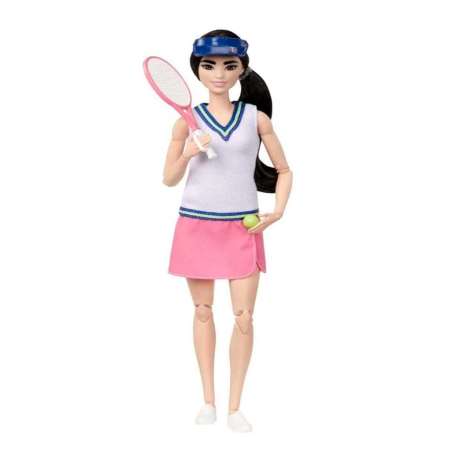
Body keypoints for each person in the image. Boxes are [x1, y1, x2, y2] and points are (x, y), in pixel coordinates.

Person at [162, 29, 293, 432]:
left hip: (242, 227)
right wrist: (188, 151)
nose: (219, 74)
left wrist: (278, 211)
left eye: (229, 65)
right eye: (210, 65)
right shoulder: (186, 122)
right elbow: (168, 178)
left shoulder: (256, 118)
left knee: (244, 317)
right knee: (202, 312)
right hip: (196, 225)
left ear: (241, 70)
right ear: (198, 71)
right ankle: (208, 401)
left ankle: (235, 406)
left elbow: (284, 170)